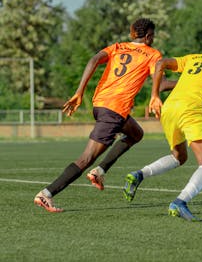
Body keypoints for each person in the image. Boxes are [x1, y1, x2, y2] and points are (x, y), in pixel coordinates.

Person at [34, 18, 176, 212]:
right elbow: (161, 85)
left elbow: (93, 60)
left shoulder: (117, 47)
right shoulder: (153, 54)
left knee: (136, 133)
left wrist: (79, 92)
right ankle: (46, 194)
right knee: (86, 158)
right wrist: (189, 83)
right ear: (149, 36)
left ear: (132, 34)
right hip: (114, 110)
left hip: (100, 104)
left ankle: (99, 171)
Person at [123, 32, 202, 221]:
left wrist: (154, 96)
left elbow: (161, 64)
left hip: (169, 108)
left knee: (179, 156)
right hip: (192, 110)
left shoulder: (194, 58)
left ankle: (139, 174)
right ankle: (180, 202)